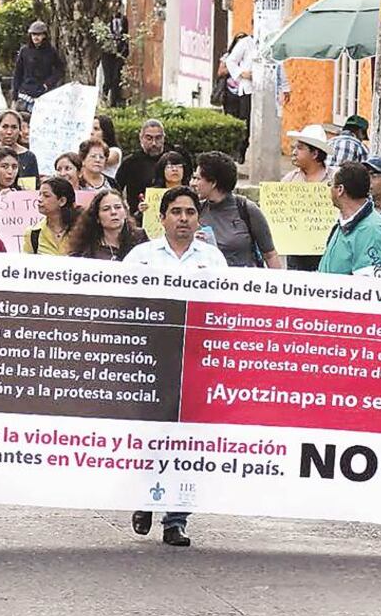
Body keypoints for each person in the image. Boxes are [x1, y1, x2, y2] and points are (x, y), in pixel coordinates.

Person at [125, 186, 225, 547]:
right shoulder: (141, 256)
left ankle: (176, 519)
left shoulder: (213, 260)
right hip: (151, 360)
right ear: (162, 217)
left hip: (196, 361)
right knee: (150, 437)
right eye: (176, 212)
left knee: (187, 440)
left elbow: (223, 309)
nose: (183, 219)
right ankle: (143, 498)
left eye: (190, 213)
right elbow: (124, 306)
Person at [190, 151, 282, 269]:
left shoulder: (246, 209)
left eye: (197, 178)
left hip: (243, 283)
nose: (192, 183)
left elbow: (270, 254)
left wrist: (279, 284)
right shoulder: (197, 210)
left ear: (213, 183)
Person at [317, 162, 381, 278]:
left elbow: (375, 289)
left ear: (340, 190)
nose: (329, 190)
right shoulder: (345, 223)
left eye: (330, 184)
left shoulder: (371, 231)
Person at [281, 124, 336, 271]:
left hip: (327, 250)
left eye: (299, 148)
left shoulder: (335, 180)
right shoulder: (289, 180)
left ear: (315, 154)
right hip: (296, 251)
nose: (293, 152)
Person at [67, 188, 147, 261]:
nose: (113, 212)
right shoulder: (86, 247)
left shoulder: (139, 237)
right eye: (106, 209)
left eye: (118, 207)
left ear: (126, 212)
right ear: (97, 217)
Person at [116, 119, 166, 213]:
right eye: (149, 138)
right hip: (137, 217)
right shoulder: (130, 162)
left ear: (164, 138)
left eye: (158, 138)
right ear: (141, 138)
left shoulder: (172, 159)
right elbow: (115, 191)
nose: (154, 143)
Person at [12, 20, 64, 111]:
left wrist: (47, 84)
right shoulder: (24, 51)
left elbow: (60, 69)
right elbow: (17, 74)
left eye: (39, 34)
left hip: (43, 95)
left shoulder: (51, 51)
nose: (36, 37)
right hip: (24, 94)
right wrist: (14, 97)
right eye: (33, 34)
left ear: (44, 35)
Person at [219, 32, 254, 162]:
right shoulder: (240, 48)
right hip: (234, 93)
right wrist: (241, 72)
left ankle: (241, 149)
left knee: (247, 123)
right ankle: (235, 149)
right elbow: (225, 66)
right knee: (238, 122)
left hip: (252, 91)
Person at [24, 176, 76, 255]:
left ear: (62, 201)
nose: (39, 199)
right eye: (39, 194)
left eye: (46, 196)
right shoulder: (33, 233)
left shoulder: (81, 231)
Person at [100, 0, 128, 107]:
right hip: (107, 53)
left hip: (119, 52)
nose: (114, 5)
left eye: (117, 2)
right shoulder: (105, 19)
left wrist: (124, 51)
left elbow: (126, 35)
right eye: (112, 2)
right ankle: (104, 97)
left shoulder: (123, 19)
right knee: (108, 79)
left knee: (117, 78)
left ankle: (115, 102)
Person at [0, 109, 38, 179]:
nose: (9, 132)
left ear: (19, 130)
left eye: (14, 127)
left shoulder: (29, 157)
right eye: (5, 127)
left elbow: (34, 186)